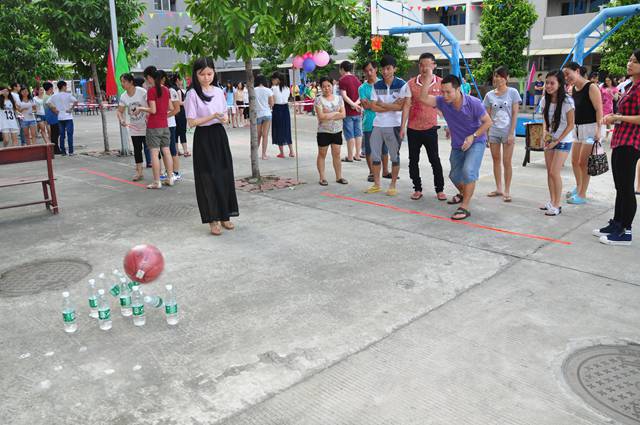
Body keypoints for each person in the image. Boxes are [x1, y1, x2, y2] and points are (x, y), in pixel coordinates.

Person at [418, 75, 493, 220]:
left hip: (476, 141)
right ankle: (464, 194)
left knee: (468, 171)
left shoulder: (474, 103)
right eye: (442, 92)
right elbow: (423, 98)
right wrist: (427, 78)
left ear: (458, 89)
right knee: (454, 175)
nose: (444, 95)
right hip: (458, 144)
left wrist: (473, 136)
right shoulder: (442, 101)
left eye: (448, 92)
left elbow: (488, 122)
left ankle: (464, 207)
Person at [184, 57, 239, 236]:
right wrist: (213, 116)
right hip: (203, 138)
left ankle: (225, 215)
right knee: (207, 178)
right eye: (202, 74)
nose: (206, 77)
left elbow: (224, 116)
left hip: (219, 136)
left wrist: (223, 118)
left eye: (209, 73)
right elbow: (192, 122)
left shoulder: (218, 91)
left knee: (224, 174)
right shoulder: (192, 94)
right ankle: (212, 219)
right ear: (196, 74)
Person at [596, 50, 640, 245]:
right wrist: (613, 118)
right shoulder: (630, 86)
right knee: (620, 187)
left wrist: (618, 118)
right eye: (630, 60)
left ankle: (626, 231)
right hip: (620, 138)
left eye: (635, 61)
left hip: (632, 141)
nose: (630, 64)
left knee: (626, 188)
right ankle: (617, 223)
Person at [400, 52, 446, 201]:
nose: (424, 68)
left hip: (431, 128)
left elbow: (447, 106)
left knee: (435, 160)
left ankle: (439, 189)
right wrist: (402, 127)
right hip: (413, 128)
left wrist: (448, 126)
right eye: (421, 65)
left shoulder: (441, 83)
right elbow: (406, 105)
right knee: (413, 160)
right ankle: (417, 188)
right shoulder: (411, 84)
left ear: (434, 65)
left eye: (427, 65)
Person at [361, 55, 406, 196]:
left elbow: (401, 107)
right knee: (375, 156)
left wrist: (383, 105)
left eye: (388, 68)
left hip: (394, 125)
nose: (385, 71)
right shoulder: (376, 86)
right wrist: (392, 106)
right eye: (383, 69)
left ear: (394, 69)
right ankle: (377, 184)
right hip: (377, 124)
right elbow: (373, 107)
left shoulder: (402, 84)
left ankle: (392, 185)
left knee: (394, 156)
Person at [563, 62, 603, 205]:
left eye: (568, 74)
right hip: (577, 129)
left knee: (583, 163)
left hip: (591, 129)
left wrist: (599, 129)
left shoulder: (591, 87)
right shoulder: (573, 88)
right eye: (564, 75)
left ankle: (582, 194)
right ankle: (579, 187)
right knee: (574, 161)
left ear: (577, 71)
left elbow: (599, 109)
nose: (566, 77)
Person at [482, 66, 522, 202]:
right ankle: (499, 188)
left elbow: (516, 113)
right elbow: (486, 115)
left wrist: (511, 133)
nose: (497, 78)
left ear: (507, 78)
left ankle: (507, 190)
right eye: (495, 75)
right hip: (493, 132)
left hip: (507, 133)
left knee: (507, 161)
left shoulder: (513, 92)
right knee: (496, 160)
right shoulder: (489, 95)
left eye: (500, 76)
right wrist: (486, 134)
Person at [539, 70, 575, 216]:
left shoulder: (567, 101)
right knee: (549, 173)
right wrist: (544, 133)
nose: (548, 86)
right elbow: (545, 120)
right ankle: (552, 201)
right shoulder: (544, 100)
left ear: (560, 84)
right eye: (547, 83)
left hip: (563, 141)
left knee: (555, 172)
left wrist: (557, 141)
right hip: (550, 140)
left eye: (552, 83)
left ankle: (557, 205)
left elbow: (571, 125)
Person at [137, 66, 175, 189]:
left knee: (154, 153)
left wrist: (140, 108)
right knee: (167, 151)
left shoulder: (152, 91)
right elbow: (171, 108)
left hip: (154, 126)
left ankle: (156, 181)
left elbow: (152, 110)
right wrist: (162, 114)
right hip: (165, 125)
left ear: (149, 77)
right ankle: (170, 178)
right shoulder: (166, 90)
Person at [358, 60, 391, 183]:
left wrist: (374, 104)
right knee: (369, 149)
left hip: (384, 121)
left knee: (384, 148)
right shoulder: (362, 88)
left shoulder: (384, 84)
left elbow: (388, 103)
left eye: (371, 70)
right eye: (366, 71)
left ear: (376, 69)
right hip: (369, 122)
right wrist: (378, 104)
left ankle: (386, 171)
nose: (369, 73)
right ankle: (372, 172)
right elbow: (366, 106)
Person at [314, 77, 348, 186]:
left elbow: (343, 114)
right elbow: (321, 117)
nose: (327, 88)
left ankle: (339, 177)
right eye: (324, 86)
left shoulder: (339, 98)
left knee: (337, 154)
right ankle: (322, 178)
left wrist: (329, 114)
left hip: (337, 130)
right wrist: (335, 113)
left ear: (332, 85)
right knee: (322, 154)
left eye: (328, 86)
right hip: (324, 131)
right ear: (321, 88)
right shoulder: (318, 100)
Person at [117, 73, 148, 181]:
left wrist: (148, 115)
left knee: (152, 149)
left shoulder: (142, 92)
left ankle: (159, 171)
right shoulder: (123, 96)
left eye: (124, 81)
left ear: (131, 82)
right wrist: (122, 120)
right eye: (121, 82)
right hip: (134, 128)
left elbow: (150, 106)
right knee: (137, 150)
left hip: (147, 126)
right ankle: (139, 173)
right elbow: (120, 111)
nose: (122, 84)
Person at [159, 70, 182, 181]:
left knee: (172, 149)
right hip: (161, 124)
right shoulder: (159, 90)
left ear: (163, 79)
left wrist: (164, 116)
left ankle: (176, 172)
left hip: (170, 125)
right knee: (164, 150)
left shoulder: (171, 90)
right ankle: (168, 171)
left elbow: (176, 109)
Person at [338, 61, 363, 162]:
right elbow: (361, 95)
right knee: (358, 134)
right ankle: (357, 154)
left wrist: (352, 105)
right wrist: (356, 104)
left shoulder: (342, 80)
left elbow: (344, 96)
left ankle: (349, 156)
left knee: (350, 134)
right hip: (357, 111)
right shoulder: (357, 80)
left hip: (348, 111)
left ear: (343, 69)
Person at [47, 81, 78, 156]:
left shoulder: (55, 96)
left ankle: (63, 151)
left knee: (62, 135)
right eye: (66, 86)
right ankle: (71, 151)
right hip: (68, 116)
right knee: (70, 135)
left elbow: (48, 102)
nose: (66, 87)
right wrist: (71, 108)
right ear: (63, 86)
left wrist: (54, 110)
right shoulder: (68, 95)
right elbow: (76, 101)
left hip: (60, 117)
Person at [270, 72, 294, 158]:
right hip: (285, 109)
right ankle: (291, 151)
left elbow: (271, 102)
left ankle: (282, 152)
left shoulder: (273, 88)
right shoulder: (287, 88)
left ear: (277, 80)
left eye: (273, 79)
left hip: (277, 109)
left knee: (278, 129)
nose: (272, 81)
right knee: (286, 129)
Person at [254, 75, 274, 160]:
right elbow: (272, 103)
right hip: (267, 114)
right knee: (265, 135)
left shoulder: (253, 90)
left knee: (258, 135)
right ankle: (263, 154)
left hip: (257, 114)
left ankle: (254, 154)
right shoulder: (268, 90)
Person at [171, 74, 190, 157]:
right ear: (177, 80)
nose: (183, 81)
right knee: (182, 131)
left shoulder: (171, 88)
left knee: (176, 132)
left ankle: (177, 150)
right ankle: (185, 151)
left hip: (175, 113)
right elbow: (179, 102)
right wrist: (187, 102)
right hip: (180, 113)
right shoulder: (178, 90)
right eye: (181, 79)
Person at [600, 76, 620, 142]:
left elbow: (616, 98)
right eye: (606, 81)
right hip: (601, 105)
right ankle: (601, 135)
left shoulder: (615, 88)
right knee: (600, 121)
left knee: (607, 122)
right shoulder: (602, 87)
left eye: (608, 80)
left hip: (609, 107)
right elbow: (599, 95)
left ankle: (606, 136)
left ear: (611, 81)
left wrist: (611, 93)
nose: (607, 82)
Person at [42, 82, 59, 153]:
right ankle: (55, 149)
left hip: (49, 117)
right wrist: (58, 113)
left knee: (54, 133)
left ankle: (55, 149)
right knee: (55, 133)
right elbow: (53, 108)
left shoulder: (45, 96)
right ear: (50, 88)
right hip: (53, 117)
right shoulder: (48, 97)